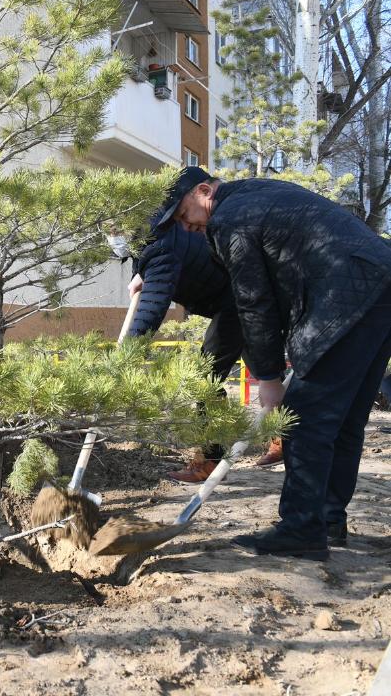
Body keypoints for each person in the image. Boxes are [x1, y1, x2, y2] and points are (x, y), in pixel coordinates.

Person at [159, 168, 391, 560]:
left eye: (183, 214)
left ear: (203, 191)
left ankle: (301, 529)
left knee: (301, 417)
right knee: (345, 418)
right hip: (381, 281)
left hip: (345, 292)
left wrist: (267, 377)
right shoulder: (259, 192)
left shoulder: (229, 219)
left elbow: (253, 301)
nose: (186, 225)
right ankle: (328, 519)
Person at [124, 187, 247, 483]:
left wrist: (126, 355)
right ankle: (285, 437)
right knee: (265, 369)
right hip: (230, 299)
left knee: (206, 376)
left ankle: (210, 459)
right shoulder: (158, 233)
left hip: (237, 301)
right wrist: (141, 272)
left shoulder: (160, 241)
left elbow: (153, 307)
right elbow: (157, 263)